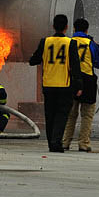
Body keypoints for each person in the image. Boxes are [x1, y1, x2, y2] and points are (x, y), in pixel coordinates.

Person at [28, 14, 82, 152]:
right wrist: (79, 86)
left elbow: (33, 60)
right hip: (64, 85)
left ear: (53, 26)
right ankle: (56, 142)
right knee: (61, 115)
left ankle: (51, 143)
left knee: (49, 115)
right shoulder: (71, 43)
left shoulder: (44, 42)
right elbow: (75, 66)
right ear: (66, 27)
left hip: (48, 85)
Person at [63, 17, 99, 152]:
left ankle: (65, 142)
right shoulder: (90, 43)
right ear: (87, 30)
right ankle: (83, 143)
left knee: (70, 114)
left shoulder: (68, 42)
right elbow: (98, 63)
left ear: (74, 29)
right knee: (87, 114)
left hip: (71, 80)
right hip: (87, 80)